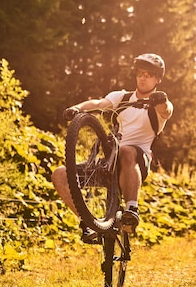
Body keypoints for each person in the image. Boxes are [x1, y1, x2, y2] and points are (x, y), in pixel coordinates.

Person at [51, 53, 173, 240]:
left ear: (158, 79)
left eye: (149, 74)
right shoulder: (122, 97)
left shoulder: (158, 106)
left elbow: (167, 110)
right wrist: (78, 108)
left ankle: (131, 211)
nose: (143, 77)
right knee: (59, 174)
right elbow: (99, 103)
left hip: (137, 162)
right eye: (140, 73)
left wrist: (161, 100)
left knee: (126, 151)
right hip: (110, 164)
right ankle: (88, 224)